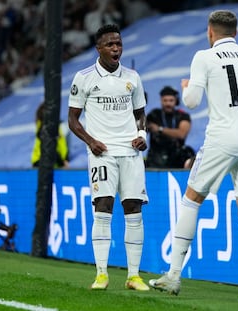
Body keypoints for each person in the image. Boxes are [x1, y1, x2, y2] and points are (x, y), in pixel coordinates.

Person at [149, 10, 238, 304]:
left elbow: (192, 102)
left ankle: (173, 275)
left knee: (191, 199)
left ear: (210, 32)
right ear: (236, 31)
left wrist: (186, 88)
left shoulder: (204, 57)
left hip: (222, 139)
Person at [68, 24, 149, 291]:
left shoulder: (133, 77)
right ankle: (101, 273)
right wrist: (91, 142)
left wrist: (141, 134)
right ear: (99, 48)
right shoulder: (84, 77)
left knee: (134, 210)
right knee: (103, 206)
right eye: (110, 45)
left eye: (119, 44)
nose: (116, 49)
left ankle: (134, 276)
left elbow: (140, 112)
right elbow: (72, 120)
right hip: (102, 152)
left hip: (130, 152)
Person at [145, 85, 194, 168]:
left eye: (171, 100)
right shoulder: (154, 114)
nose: (168, 103)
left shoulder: (183, 116)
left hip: (177, 156)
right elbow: (143, 129)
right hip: (156, 156)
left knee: (189, 153)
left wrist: (159, 129)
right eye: (165, 100)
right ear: (161, 100)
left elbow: (182, 134)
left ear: (176, 101)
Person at [31, 102, 69, 168]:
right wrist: (62, 163)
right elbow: (50, 148)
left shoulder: (55, 125)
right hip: (44, 162)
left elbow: (61, 144)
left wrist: (65, 159)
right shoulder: (45, 128)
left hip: (53, 162)